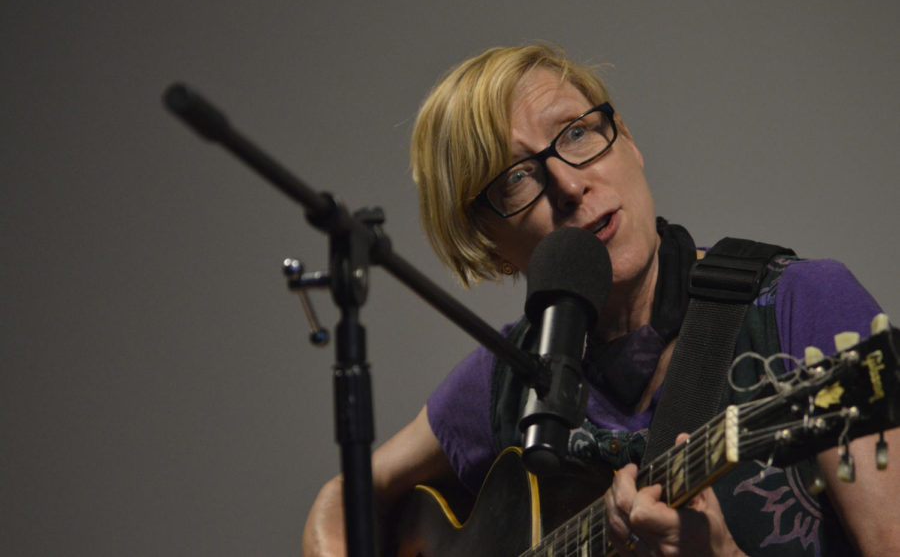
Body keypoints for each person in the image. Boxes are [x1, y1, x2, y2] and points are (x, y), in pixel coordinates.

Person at [302, 44, 900, 556]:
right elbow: (343, 498)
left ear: (629, 143)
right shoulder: (508, 374)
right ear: (488, 241)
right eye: (515, 178)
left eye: (577, 134)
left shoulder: (803, 307)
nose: (567, 183)